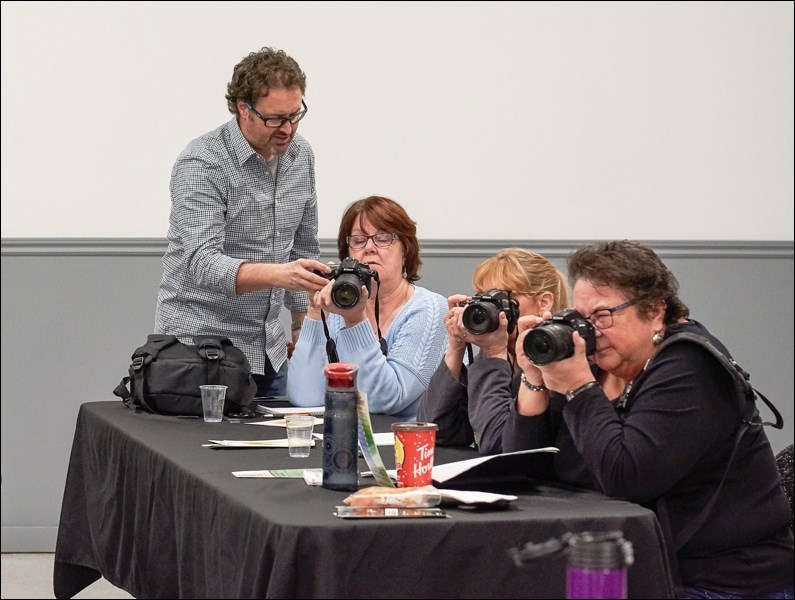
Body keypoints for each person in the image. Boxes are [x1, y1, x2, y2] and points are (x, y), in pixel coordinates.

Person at [503, 240, 793, 599]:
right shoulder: (592, 364)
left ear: (655, 312)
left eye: (603, 316)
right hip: (623, 563)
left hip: (718, 582)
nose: (590, 332)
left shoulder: (689, 367)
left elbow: (626, 476)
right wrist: (534, 377)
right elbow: (524, 471)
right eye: (581, 317)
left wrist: (578, 388)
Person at [154, 47, 331, 399]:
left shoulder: (301, 156)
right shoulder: (203, 164)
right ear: (243, 109)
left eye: (296, 115)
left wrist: (300, 325)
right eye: (276, 119)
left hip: (270, 351)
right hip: (199, 351)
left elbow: (303, 246)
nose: (288, 129)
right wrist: (279, 274)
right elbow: (201, 263)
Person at [287, 195, 448, 420]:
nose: (370, 248)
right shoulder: (336, 307)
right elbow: (304, 397)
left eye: (383, 238)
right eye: (358, 240)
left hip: (409, 444)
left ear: (406, 249)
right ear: (348, 253)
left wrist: (354, 322)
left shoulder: (429, 309)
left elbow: (386, 399)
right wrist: (316, 311)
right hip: (347, 437)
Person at [417, 248, 569, 454]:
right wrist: (456, 346)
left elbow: (499, 445)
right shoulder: (498, 353)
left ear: (544, 302)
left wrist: (494, 353)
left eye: (505, 297)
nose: (495, 308)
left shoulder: (556, 361)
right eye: (485, 297)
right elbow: (435, 431)